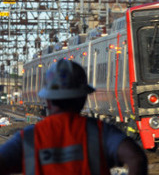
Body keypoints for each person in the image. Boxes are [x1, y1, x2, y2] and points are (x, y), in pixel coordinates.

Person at [0, 59, 148, 175]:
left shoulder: (28, 138)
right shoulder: (99, 132)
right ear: (83, 98)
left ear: (48, 100)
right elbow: (136, 158)